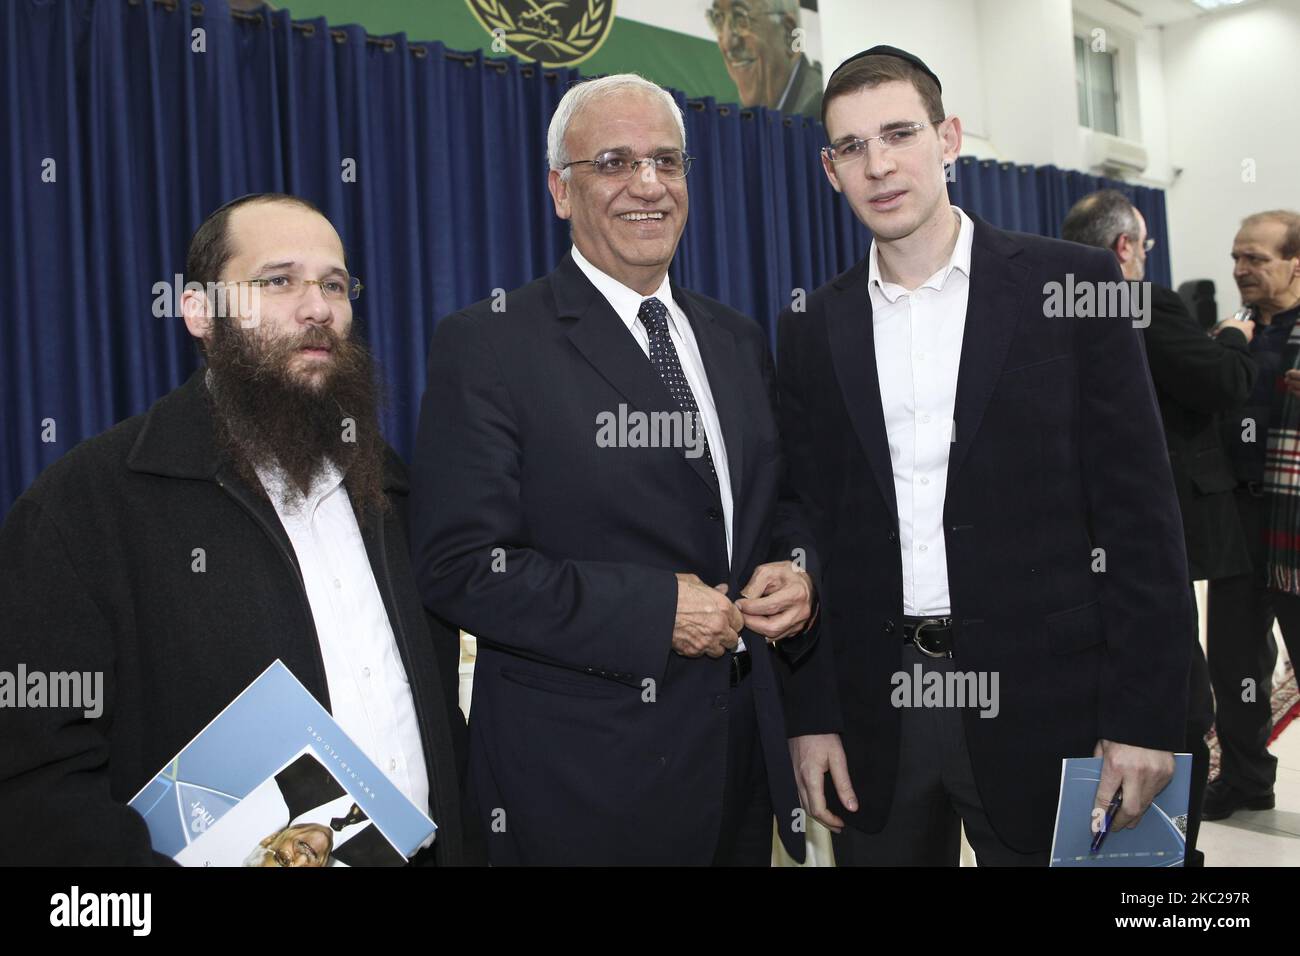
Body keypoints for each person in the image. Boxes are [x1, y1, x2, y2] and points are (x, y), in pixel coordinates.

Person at [776, 47, 1192, 866]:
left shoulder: (1074, 287)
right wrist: (810, 713)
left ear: (949, 138)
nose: (880, 164)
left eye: (899, 133)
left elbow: (1141, 517)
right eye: (852, 147)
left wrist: (1146, 719)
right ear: (830, 171)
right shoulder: (810, 329)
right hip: (878, 715)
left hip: (1056, 705)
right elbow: (806, 521)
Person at [410, 73, 819, 865]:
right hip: (580, 788)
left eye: (668, 161)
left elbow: (783, 503)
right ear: (561, 191)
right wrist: (651, 611)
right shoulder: (490, 345)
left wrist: (800, 574)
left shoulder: (735, 339)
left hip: (739, 770)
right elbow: (460, 567)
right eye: (614, 162)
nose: (648, 184)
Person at [0, 193, 477, 866]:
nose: (317, 308)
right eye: (277, 280)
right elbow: (34, 778)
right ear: (198, 311)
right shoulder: (89, 504)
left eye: (334, 285)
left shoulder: (389, 488)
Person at [1062, 188, 1257, 864]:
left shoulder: (1045, 306)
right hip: (1157, 536)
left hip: (1075, 559)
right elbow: (1222, 381)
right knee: (1179, 703)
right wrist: (1231, 337)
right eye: (1142, 247)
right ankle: (1169, 862)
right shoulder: (1144, 302)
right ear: (1124, 249)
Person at [1204, 209, 1300, 821]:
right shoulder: (1227, 337)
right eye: (1237, 257)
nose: (1241, 270)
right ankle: (1245, 779)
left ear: (1295, 263)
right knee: (1234, 663)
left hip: (1294, 529)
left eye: (1257, 259)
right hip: (1236, 522)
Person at [705, 0, 823, 117]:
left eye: (740, 18)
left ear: (789, 35)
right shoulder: (741, 116)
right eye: (718, 18)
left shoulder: (818, 110)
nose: (727, 43)